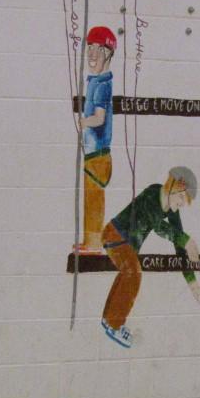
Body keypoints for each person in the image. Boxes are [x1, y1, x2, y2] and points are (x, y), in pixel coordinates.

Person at [101, 166, 200, 348]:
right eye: (182, 197)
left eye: (186, 200)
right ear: (172, 186)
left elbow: (178, 245)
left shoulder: (172, 210)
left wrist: (193, 283)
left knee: (128, 272)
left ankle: (109, 320)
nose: (182, 203)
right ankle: (114, 324)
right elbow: (158, 226)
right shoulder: (152, 194)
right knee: (133, 273)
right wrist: (186, 240)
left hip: (127, 245)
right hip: (115, 235)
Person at [76, 26, 116, 255]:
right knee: (90, 198)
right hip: (94, 154)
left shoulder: (102, 84)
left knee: (94, 201)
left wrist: (84, 122)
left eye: (98, 49)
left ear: (109, 53)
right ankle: (89, 240)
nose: (92, 54)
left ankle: (93, 244)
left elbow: (99, 119)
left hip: (98, 155)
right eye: (89, 47)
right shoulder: (94, 80)